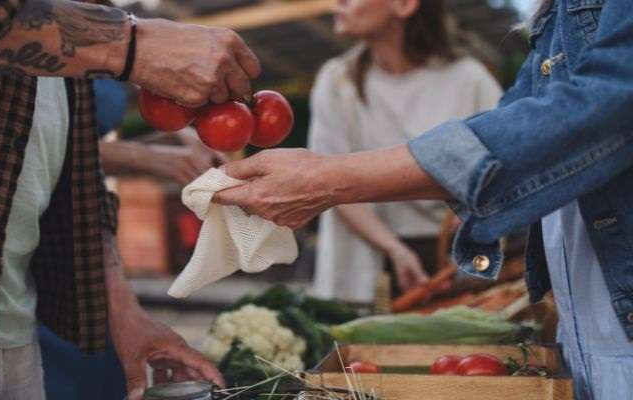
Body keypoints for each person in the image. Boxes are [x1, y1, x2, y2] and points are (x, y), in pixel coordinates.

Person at [0, 1, 261, 399]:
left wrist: (125, 314)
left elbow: (67, 168)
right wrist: (128, 43)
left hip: (9, 320)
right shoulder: (98, 30)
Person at [215, 0, 633, 398]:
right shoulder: (339, 78)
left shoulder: (467, 73)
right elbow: (526, 120)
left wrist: (333, 179)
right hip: (582, 327)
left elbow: (603, 106)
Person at [39, 81, 225, 400]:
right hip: (37, 246)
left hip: (84, 242)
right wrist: (144, 156)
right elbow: (34, 146)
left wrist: (162, 142)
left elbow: (76, 143)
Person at [309, 0, 501, 303]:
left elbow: (506, 163)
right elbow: (328, 181)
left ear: (404, 4)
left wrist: (481, 208)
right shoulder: (336, 80)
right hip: (369, 258)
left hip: (454, 258)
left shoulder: (469, 79)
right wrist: (394, 249)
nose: (338, 2)